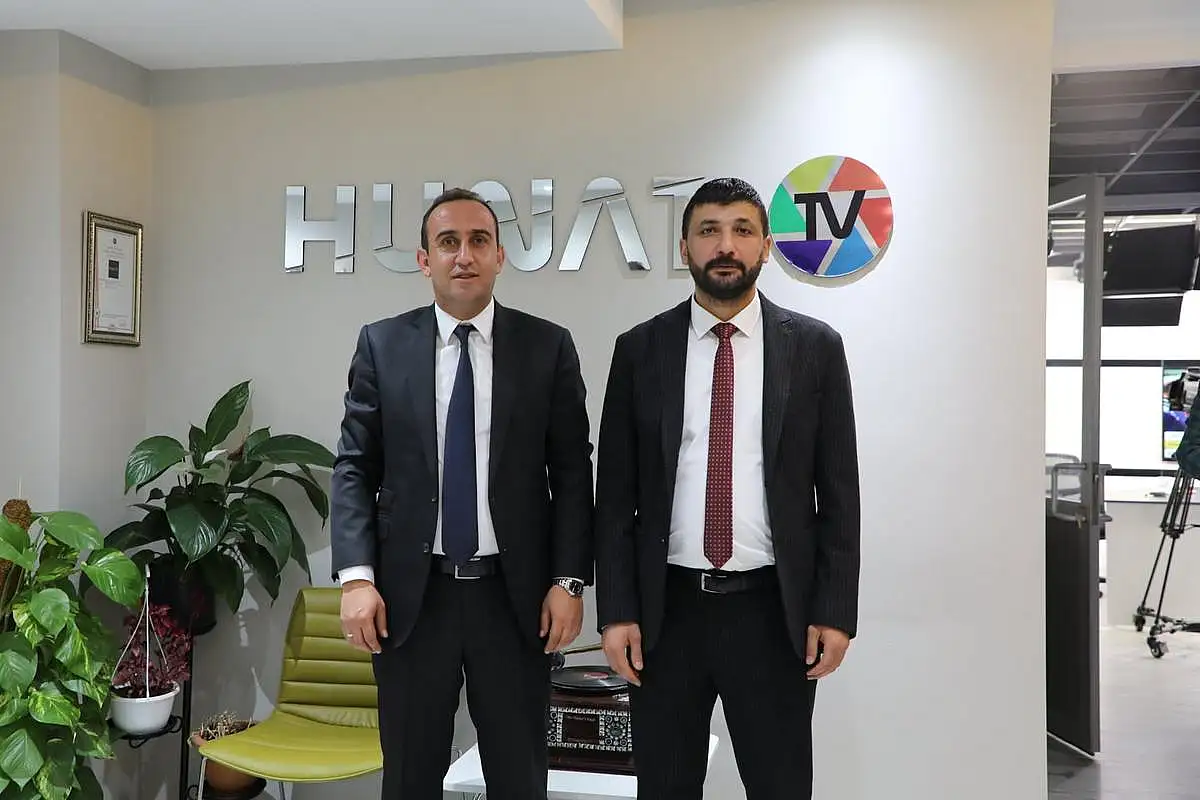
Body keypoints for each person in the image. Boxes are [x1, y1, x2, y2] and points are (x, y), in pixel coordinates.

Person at [593, 177, 862, 799]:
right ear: (684, 247)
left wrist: (833, 610)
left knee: (779, 786)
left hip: (772, 612)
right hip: (666, 614)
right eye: (709, 231)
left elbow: (839, 494)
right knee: (665, 787)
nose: (726, 246)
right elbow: (616, 497)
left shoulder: (814, 349)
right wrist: (618, 611)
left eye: (742, 231)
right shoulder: (639, 350)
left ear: (765, 246)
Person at [330, 187, 595, 799]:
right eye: (448, 242)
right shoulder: (382, 345)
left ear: (500, 255)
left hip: (515, 600)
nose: (464, 255)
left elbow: (572, 473)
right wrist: (356, 578)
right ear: (425, 260)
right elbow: (354, 467)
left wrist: (569, 581)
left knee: (519, 778)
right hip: (412, 600)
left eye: (479, 241)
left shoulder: (547, 346)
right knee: (410, 778)